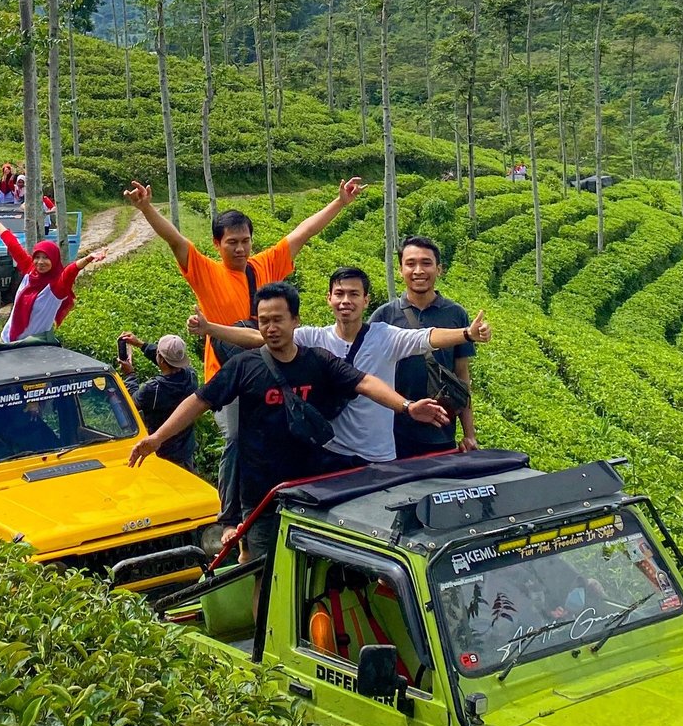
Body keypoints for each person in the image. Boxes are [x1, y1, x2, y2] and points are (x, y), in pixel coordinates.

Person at [129, 282, 448, 558]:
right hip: (263, 494)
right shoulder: (243, 366)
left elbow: (365, 382)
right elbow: (198, 402)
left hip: (313, 489)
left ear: (295, 320)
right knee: (264, 576)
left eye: (278, 320)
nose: (270, 327)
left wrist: (406, 406)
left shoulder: (317, 360)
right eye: (264, 321)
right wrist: (158, 438)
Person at [123, 176, 365, 526]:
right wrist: (145, 207)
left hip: (274, 371)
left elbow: (303, 232)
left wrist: (340, 202)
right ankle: (228, 518)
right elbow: (174, 239)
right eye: (232, 242)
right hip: (229, 375)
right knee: (236, 439)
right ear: (217, 244)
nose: (240, 249)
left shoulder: (266, 265)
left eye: (245, 241)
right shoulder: (206, 271)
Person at [196, 264, 491, 466]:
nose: (345, 301)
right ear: (329, 299)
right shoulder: (315, 338)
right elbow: (257, 336)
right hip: (330, 452)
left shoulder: (385, 336)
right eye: (339, 294)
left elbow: (427, 337)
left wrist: (466, 334)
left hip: (378, 455)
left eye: (353, 294)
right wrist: (211, 329)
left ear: (366, 300)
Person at [373, 236, 479, 457]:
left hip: (441, 431)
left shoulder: (455, 313)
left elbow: (462, 376)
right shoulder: (384, 316)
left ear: (439, 269)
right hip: (392, 434)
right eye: (410, 264)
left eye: (426, 263)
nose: (418, 270)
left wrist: (469, 433)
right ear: (401, 269)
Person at [0, 205, 97, 342]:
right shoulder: (30, 270)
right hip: (7, 340)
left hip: (34, 346)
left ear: (55, 259)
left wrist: (88, 259)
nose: (40, 262)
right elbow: (11, 243)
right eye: (37, 257)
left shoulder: (57, 287)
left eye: (46, 257)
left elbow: (70, 271)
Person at [117, 331, 199, 472]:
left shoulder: (153, 389)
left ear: (160, 359)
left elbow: (131, 405)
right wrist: (141, 344)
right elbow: (169, 362)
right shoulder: (191, 376)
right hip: (186, 453)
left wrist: (130, 375)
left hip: (162, 455)